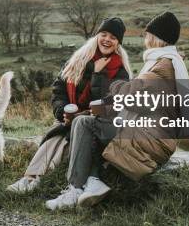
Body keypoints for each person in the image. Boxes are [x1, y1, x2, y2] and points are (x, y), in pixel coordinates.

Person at [46, 11, 189, 210]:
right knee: (89, 121)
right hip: (148, 132)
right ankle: (92, 181)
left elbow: (129, 95)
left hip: (149, 139)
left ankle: (76, 188)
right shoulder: (165, 62)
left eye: (148, 35)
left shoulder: (163, 66)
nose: (145, 39)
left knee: (86, 124)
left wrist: (106, 82)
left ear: (157, 38)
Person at [7, 17, 131, 193]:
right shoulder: (78, 59)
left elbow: (106, 105)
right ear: (97, 36)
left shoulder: (120, 72)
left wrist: (97, 75)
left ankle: (38, 179)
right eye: (103, 34)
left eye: (113, 37)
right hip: (69, 118)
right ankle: (28, 179)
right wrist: (61, 111)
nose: (107, 40)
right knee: (55, 136)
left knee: (64, 142)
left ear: (118, 43)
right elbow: (59, 88)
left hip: (93, 124)